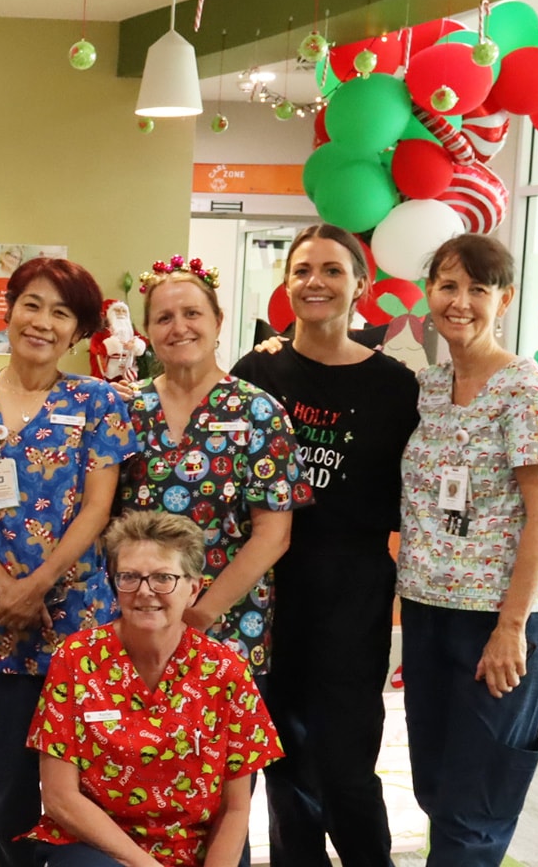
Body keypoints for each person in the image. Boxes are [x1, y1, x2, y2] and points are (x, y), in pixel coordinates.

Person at [229, 225, 417, 867]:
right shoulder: (257, 370)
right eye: (303, 269)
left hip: (351, 597)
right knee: (280, 760)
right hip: (265, 595)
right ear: (286, 283)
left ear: (360, 285)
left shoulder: (395, 387)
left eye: (332, 270)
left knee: (345, 765)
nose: (316, 281)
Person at [0, 257, 134, 867]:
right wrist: (6, 586)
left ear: (78, 332)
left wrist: (37, 585)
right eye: (32, 303)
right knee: (1, 789)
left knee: (84, 790)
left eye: (62, 313)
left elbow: (97, 509)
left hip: (78, 625)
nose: (43, 322)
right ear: (9, 309)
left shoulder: (98, 401)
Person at [397, 234, 538, 867]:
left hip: (501, 620)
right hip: (427, 609)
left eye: (477, 288)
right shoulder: (428, 388)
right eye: (447, 285)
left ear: (505, 299)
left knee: (477, 803)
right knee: (435, 784)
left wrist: (511, 627)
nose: (460, 301)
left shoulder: (528, 391)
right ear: (429, 296)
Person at [25, 510, 283, 867]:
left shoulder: (225, 670)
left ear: (193, 589)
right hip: (97, 847)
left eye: (163, 578)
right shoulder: (76, 659)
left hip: (196, 846)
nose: (145, 592)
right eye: (129, 577)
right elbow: (59, 797)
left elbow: (236, 808)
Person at [118, 256, 308, 682]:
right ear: (148, 333)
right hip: (138, 620)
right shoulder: (127, 410)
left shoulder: (259, 412)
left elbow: (273, 535)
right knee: (135, 745)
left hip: (227, 623)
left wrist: (197, 616)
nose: (179, 327)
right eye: (164, 318)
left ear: (218, 322)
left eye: (192, 313)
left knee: (218, 748)